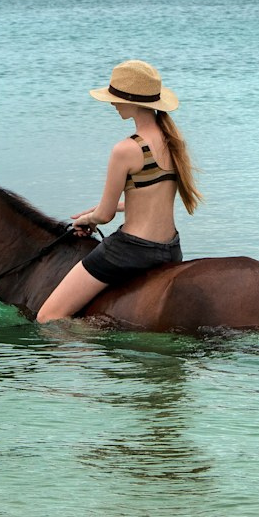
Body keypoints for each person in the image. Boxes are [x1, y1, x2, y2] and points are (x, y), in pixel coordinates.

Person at [36, 60, 204, 322]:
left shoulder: (126, 149)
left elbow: (104, 217)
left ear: (132, 102)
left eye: (116, 98)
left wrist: (87, 219)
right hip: (171, 249)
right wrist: (108, 208)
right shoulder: (173, 142)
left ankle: (98, 338)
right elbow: (152, 197)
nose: (112, 104)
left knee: (48, 317)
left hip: (130, 251)